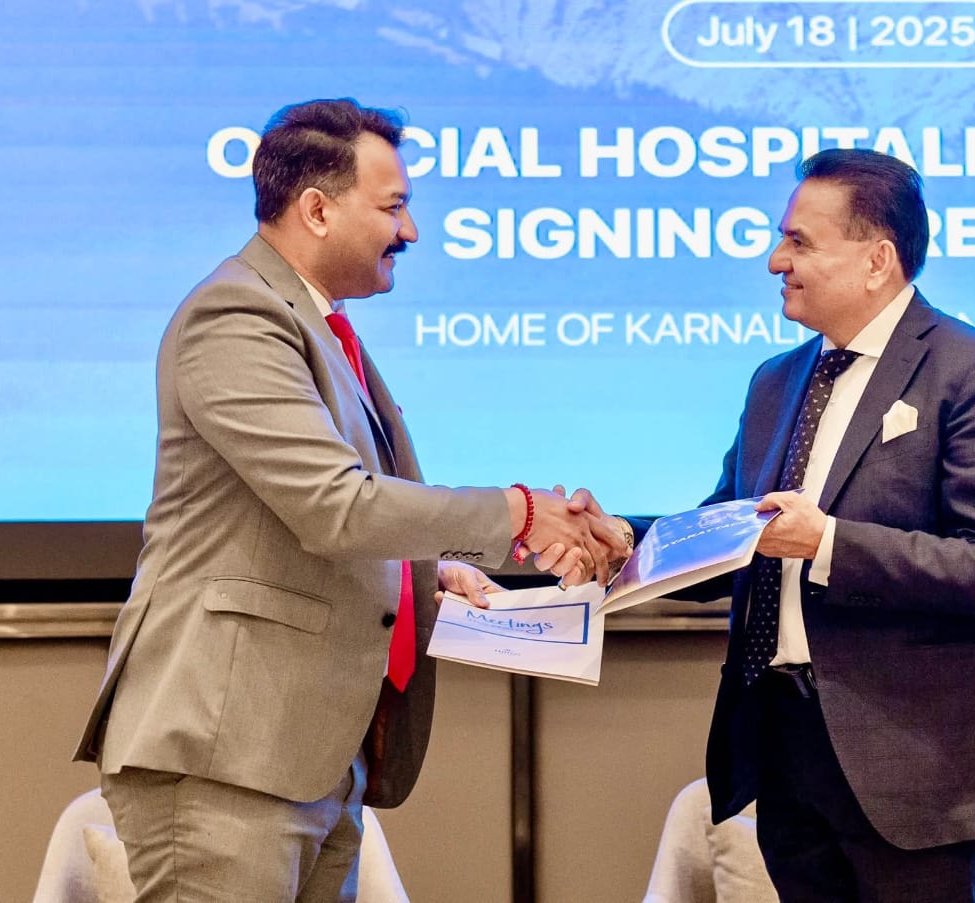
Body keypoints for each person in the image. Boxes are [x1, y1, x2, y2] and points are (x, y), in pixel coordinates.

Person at [74, 98, 625, 902]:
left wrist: (421, 575)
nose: (411, 230)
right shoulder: (236, 314)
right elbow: (336, 507)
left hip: (309, 759)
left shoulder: (318, 324)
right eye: (394, 206)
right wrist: (521, 511)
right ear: (317, 210)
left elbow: (303, 521)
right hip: (226, 756)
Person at [577, 147, 975, 900]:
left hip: (914, 762)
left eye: (799, 242)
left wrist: (827, 542)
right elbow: (731, 529)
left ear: (877, 261)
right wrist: (628, 543)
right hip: (786, 749)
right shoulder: (776, 380)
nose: (776, 261)